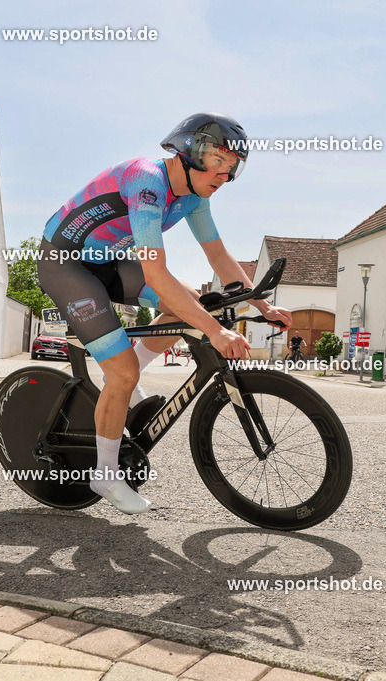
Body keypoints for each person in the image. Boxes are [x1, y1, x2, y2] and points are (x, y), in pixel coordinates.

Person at [37, 113, 292, 514]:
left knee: (190, 305)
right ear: (189, 152)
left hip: (108, 261)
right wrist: (215, 332)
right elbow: (156, 270)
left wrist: (261, 303)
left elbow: (219, 256)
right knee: (127, 370)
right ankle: (105, 473)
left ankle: (116, 381)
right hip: (67, 265)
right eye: (218, 161)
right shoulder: (147, 182)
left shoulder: (196, 196)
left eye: (233, 167)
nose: (224, 175)